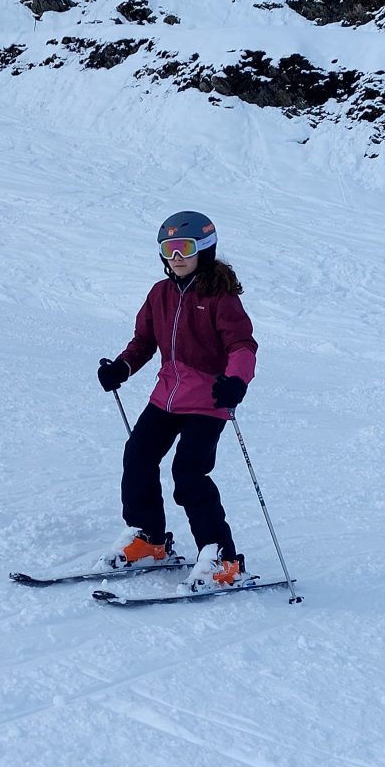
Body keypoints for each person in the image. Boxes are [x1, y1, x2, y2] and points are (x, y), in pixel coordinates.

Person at [96, 210, 258, 591]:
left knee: (188, 473)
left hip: (209, 400)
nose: (177, 257)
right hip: (166, 396)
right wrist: (121, 367)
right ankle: (149, 539)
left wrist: (236, 381)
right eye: (169, 249)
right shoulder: (160, 294)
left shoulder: (220, 298)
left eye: (184, 248)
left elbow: (242, 345)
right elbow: (143, 342)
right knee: (138, 455)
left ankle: (223, 560)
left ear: (204, 249)